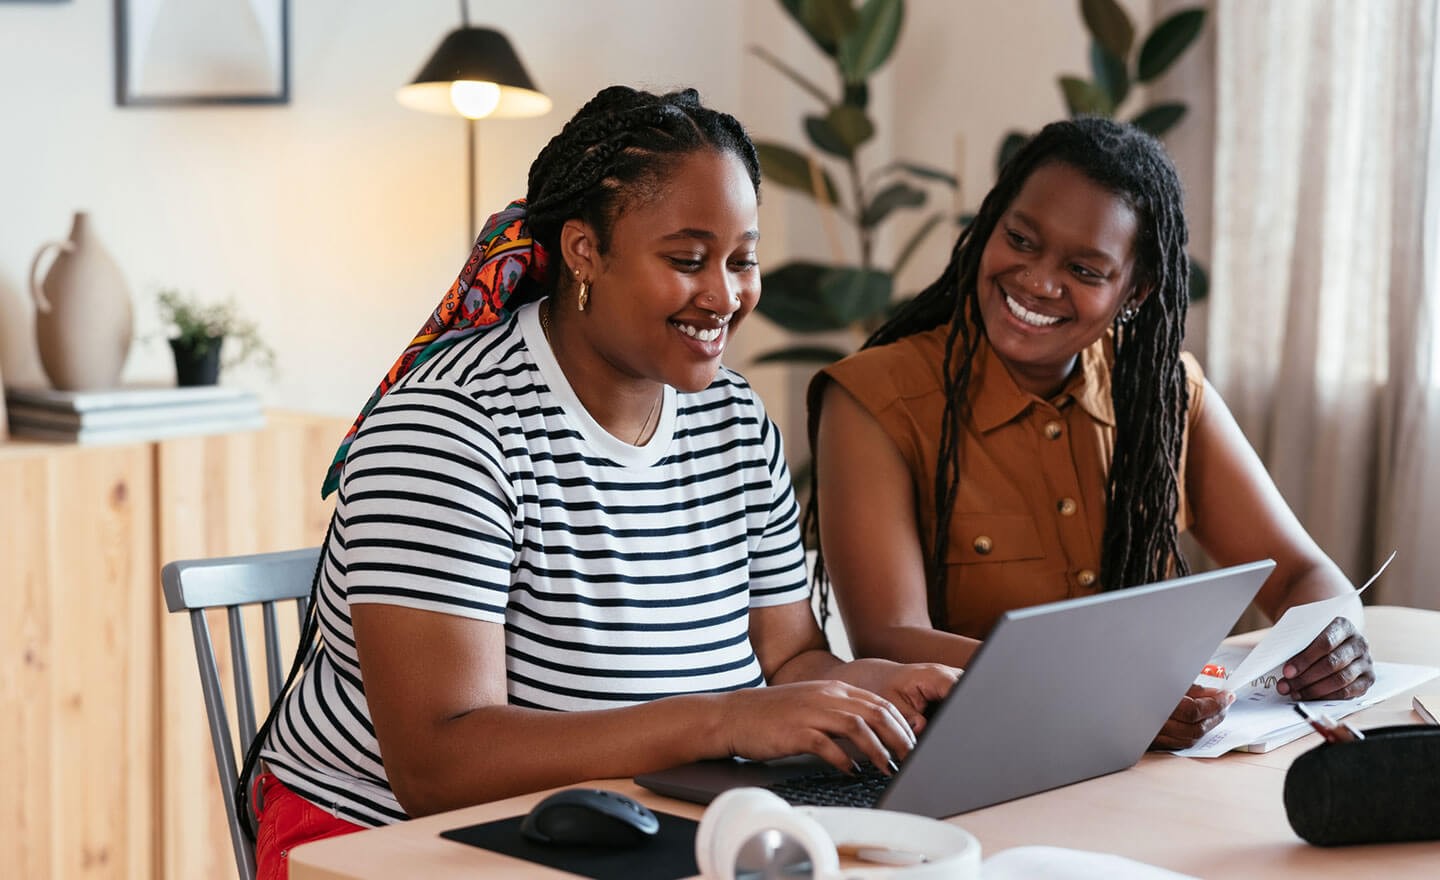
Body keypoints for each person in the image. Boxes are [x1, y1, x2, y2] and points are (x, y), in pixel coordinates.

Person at [247, 85, 957, 878]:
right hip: (391, 845)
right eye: (687, 260)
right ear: (585, 250)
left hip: (648, 823)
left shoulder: (732, 417)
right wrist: (722, 721)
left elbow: (788, 659)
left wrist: (879, 688)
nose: (724, 296)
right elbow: (438, 767)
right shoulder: (449, 429)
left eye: (742, 260)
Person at [807, 116, 1373, 752]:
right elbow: (888, 636)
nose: (1039, 281)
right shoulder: (873, 400)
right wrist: (1109, 692)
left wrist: (1334, 635)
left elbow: (1302, 573)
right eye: (1020, 240)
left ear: (1136, 290)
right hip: (981, 757)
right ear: (989, 225)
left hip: (1161, 767)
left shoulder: (1167, 397)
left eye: (1085, 269)